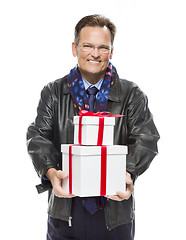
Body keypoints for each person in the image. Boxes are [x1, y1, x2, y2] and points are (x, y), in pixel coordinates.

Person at [27, 14, 160, 240]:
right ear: (74, 48)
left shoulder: (131, 94)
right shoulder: (53, 93)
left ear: (111, 51)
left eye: (102, 47)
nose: (95, 54)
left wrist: (126, 174)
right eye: (88, 45)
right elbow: (38, 136)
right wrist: (51, 172)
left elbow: (145, 138)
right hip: (65, 208)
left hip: (114, 210)